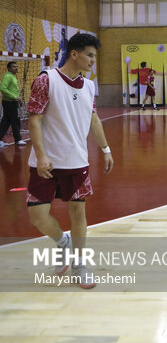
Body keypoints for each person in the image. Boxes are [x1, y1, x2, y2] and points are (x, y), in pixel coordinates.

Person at [26, 33, 113, 289]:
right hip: (47, 163)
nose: (93, 61)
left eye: (94, 56)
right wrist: (41, 155)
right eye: (89, 55)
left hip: (77, 161)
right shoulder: (46, 80)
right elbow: (34, 119)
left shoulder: (89, 86)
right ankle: (63, 242)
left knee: (78, 213)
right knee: (38, 216)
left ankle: (79, 265)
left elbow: (94, 119)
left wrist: (106, 148)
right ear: (74, 54)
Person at [0, 61, 27, 147]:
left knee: (6, 121)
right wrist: (15, 97)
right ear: (8, 68)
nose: (16, 68)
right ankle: (18, 139)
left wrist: (19, 100)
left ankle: (17, 139)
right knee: (15, 121)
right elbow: (3, 88)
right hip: (10, 103)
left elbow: (12, 90)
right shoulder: (8, 76)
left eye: (17, 66)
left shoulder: (12, 76)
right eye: (14, 67)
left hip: (11, 102)